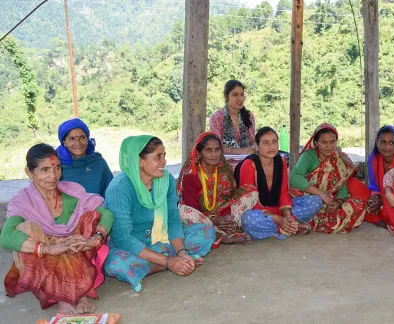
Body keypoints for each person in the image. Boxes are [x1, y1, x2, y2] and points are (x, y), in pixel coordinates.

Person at [0, 144, 113, 315]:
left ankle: (80, 293)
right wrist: (49, 248)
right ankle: (64, 297)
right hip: (45, 255)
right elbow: (6, 236)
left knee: (90, 217)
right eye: (44, 170)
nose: (53, 176)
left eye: (57, 168)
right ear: (29, 173)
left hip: (77, 250)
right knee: (27, 228)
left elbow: (106, 213)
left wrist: (93, 240)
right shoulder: (22, 201)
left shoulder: (72, 192)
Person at [104, 136, 215, 292]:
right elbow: (123, 238)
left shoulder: (166, 180)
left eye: (164, 156)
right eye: (158, 157)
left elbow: (172, 219)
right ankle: (167, 262)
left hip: (163, 239)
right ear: (139, 161)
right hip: (132, 245)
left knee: (205, 232)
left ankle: (167, 262)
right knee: (120, 264)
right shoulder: (120, 188)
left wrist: (181, 252)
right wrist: (169, 262)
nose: (164, 161)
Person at [238, 127, 324, 239]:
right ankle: (289, 227)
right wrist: (278, 219)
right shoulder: (249, 165)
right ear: (257, 146)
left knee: (316, 201)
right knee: (248, 220)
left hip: (278, 209)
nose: (271, 146)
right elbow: (248, 202)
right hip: (257, 211)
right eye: (265, 143)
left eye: (274, 142)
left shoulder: (281, 161)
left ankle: (287, 226)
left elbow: (283, 193)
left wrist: (287, 216)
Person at [177, 132, 256, 246]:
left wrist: (226, 218)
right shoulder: (191, 175)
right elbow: (192, 207)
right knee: (183, 211)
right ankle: (220, 236)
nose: (213, 154)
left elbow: (231, 197)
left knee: (251, 191)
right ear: (199, 153)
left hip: (223, 212)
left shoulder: (226, 169)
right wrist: (215, 220)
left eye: (217, 149)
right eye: (208, 150)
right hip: (203, 217)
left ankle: (228, 227)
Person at [289, 123, 367, 234]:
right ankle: (309, 222)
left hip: (329, 202)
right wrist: (321, 194)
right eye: (324, 142)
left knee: (359, 203)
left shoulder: (340, 159)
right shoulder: (308, 156)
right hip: (309, 200)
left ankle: (311, 223)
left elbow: (342, 187)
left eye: (332, 141)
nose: (329, 146)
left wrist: (338, 203)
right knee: (315, 201)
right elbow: (295, 178)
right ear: (316, 143)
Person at [347, 125, 394, 229]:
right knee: (352, 183)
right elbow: (374, 186)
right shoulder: (374, 160)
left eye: (391, 142)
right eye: (383, 142)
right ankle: (380, 218)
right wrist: (375, 197)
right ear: (377, 143)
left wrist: (382, 200)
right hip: (382, 199)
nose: (387, 147)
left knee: (389, 204)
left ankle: (377, 217)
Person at [56, 118, 114, 197]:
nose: (78, 142)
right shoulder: (57, 166)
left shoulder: (98, 163)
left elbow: (111, 193)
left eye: (82, 137)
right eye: (72, 138)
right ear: (64, 143)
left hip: (98, 208)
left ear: (87, 139)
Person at [209, 80, 257, 155]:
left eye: (242, 94)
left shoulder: (249, 115)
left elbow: (252, 140)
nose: (240, 98)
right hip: (225, 163)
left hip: (247, 161)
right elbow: (216, 147)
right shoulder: (217, 117)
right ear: (226, 97)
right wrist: (242, 151)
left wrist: (255, 146)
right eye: (235, 95)